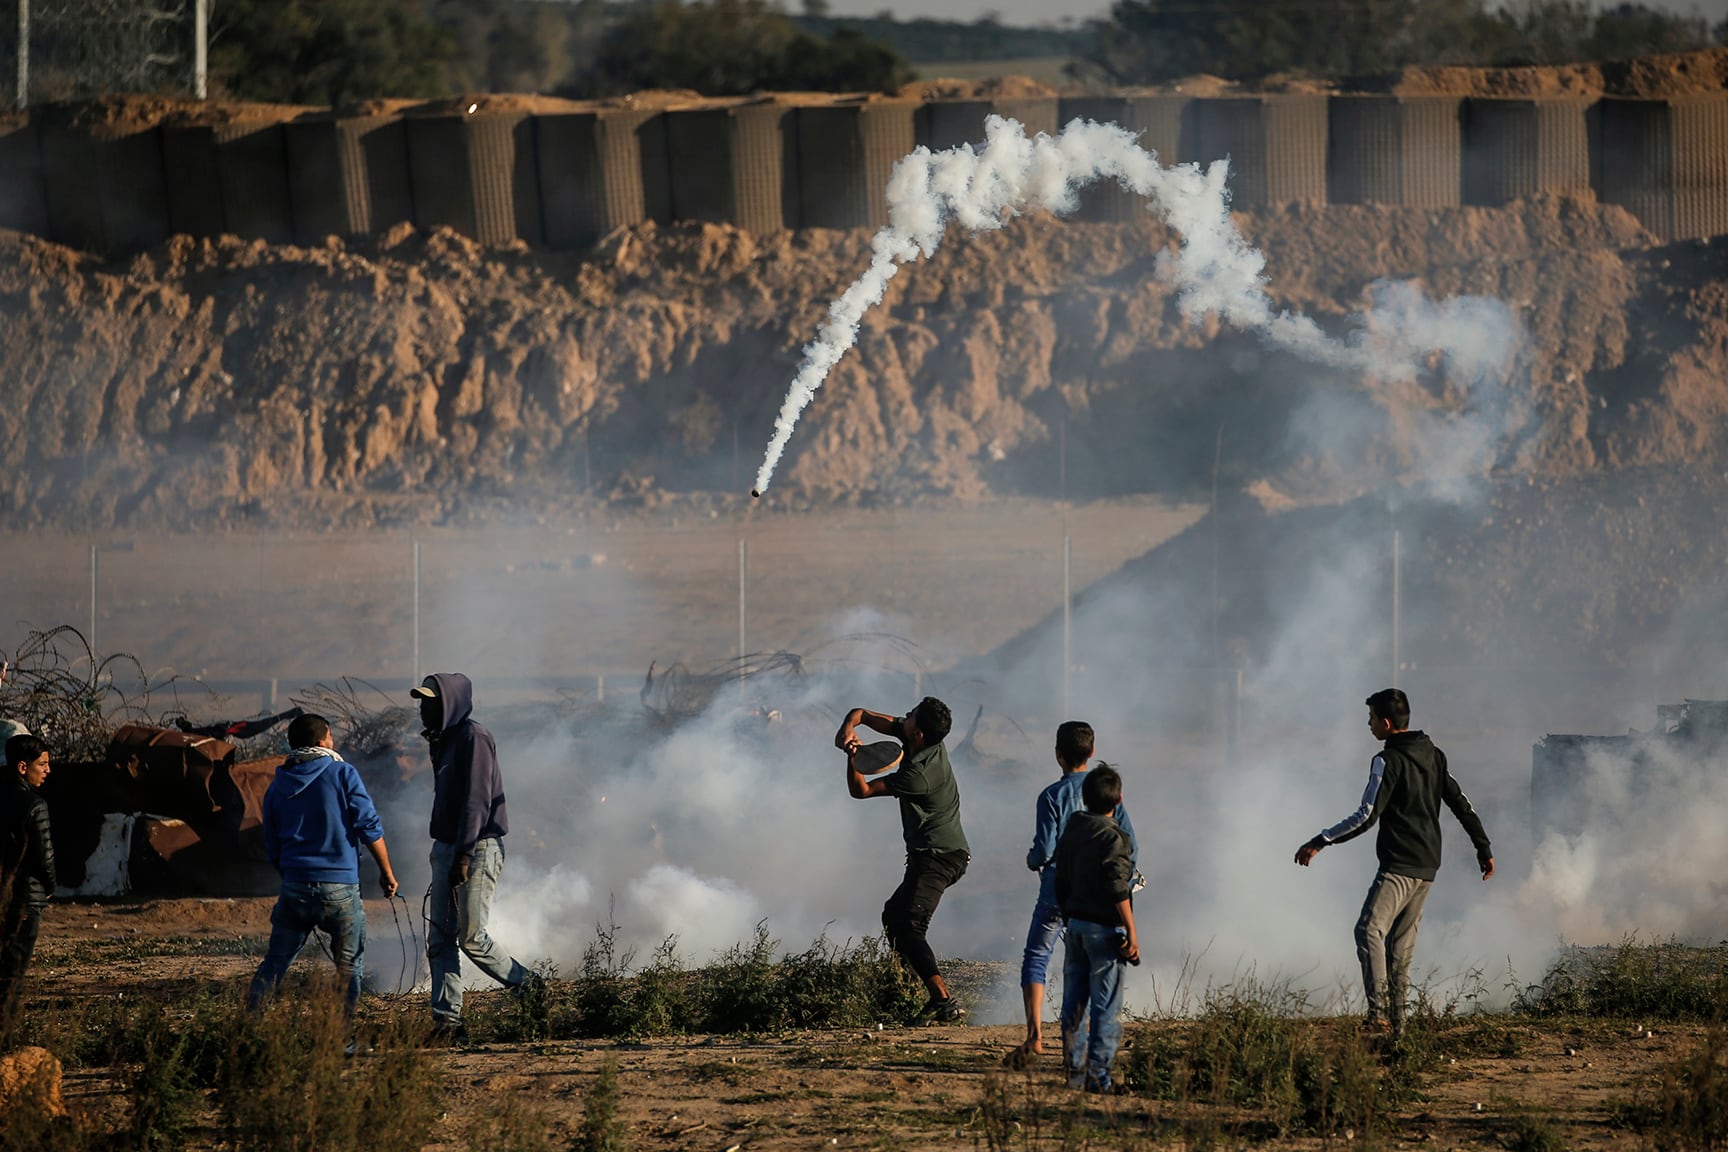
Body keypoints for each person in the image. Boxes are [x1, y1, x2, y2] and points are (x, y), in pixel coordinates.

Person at [1294, 688, 1495, 1035]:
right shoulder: (1434, 755)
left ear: (1386, 723)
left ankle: (1379, 1017)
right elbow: (1462, 804)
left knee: (1368, 930)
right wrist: (1484, 847)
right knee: (1400, 946)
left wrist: (1321, 840)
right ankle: (1399, 1030)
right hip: (1428, 865)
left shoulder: (1386, 760)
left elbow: (1366, 815)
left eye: (1371, 719)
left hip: (1399, 863)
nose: (1368, 725)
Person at [414, 672, 540, 1041]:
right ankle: (448, 1024)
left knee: (471, 937)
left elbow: (476, 802)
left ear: (450, 702)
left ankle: (530, 987)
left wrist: (464, 856)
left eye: (429, 702)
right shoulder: (443, 741)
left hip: (477, 848)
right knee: (439, 938)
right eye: (421, 702)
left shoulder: (474, 738)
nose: (422, 709)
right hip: (447, 848)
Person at [247, 714, 398, 1014]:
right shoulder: (343, 773)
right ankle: (342, 1035)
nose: (333, 742)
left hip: (295, 888)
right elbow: (369, 826)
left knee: (275, 962)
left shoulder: (277, 787)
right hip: (340, 889)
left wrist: (293, 876)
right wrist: (387, 873)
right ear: (321, 741)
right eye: (330, 737)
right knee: (349, 967)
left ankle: (248, 1024)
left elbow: (272, 845)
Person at [836, 696, 970, 1024]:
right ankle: (905, 989)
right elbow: (863, 713)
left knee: (909, 925)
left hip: (940, 856)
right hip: (931, 854)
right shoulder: (920, 737)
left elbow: (862, 791)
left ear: (919, 734)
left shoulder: (918, 776)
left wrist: (852, 758)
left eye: (910, 716)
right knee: (893, 916)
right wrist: (848, 728)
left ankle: (942, 999)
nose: (904, 716)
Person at [1017, 721, 1137, 1062]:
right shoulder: (1107, 790)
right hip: (1099, 899)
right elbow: (1131, 845)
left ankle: (1035, 1036)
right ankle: (1090, 1057)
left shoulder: (1051, 796)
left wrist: (1031, 860)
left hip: (1057, 889)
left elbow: (1044, 850)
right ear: (1093, 752)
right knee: (1097, 969)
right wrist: (1122, 885)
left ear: (1058, 755)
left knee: (1037, 957)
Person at [1053, 764, 1139, 1094]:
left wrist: (1068, 915)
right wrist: (1131, 931)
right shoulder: (1114, 837)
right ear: (1118, 801)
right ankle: (1098, 1077)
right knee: (1106, 1008)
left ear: (1085, 800)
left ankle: (1074, 1074)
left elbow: (1060, 881)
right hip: (1103, 933)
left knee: (1074, 1006)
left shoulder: (1072, 830)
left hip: (1074, 927)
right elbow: (1118, 888)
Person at [0, 733, 54, 1023]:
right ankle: (4, 1045)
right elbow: (44, 856)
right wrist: (50, 886)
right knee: (13, 978)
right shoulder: (34, 805)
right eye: (42, 764)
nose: (47, 770)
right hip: (23, 901)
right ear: (23, 767)